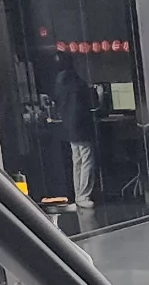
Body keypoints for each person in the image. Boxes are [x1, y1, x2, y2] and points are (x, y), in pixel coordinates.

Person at [51, 55, 97, 209]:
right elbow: (89, 102)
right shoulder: (77, 83)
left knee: (76, 160)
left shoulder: (59, 83)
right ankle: (84, 195)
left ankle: (78, 194)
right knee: (87, 160)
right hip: (81, 126)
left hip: (69, 127)